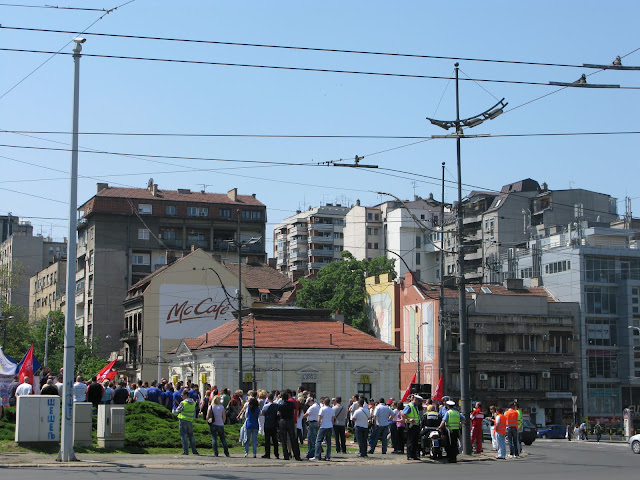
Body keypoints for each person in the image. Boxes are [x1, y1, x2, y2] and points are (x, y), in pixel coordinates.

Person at [278, 391, 302, 461]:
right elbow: (294, 411)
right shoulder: (292, 404)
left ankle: (286, 455)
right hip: (290, 421)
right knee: (293, 438)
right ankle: (297, 455)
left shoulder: (281, 405)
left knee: (284, 439)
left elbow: (279, 413)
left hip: (283, 420)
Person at [175, 389, 199, 455]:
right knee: (191, 436)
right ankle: (194, 450)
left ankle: (185, 451)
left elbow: (177, 410)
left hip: (183, 420)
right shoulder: (193, 402)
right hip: (190, 420)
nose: (181, 396)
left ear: (186, 395)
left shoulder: (183, 403)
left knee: (184, 436)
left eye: (182, 395)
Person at [312, 397, 335, 461]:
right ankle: (327, 456)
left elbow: (319, 418)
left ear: (324, 402)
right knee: (328, 442)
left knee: (318, 441)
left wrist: (319, 424)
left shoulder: (322, 409)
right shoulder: (332, 410)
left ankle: (317, 456)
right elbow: (333, 419)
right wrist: (331, 425)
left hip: (323, 426)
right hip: (329, 426)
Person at [402, 394, 423, 460]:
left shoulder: (415, 406)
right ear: (415, 400)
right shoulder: (409, 406)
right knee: (410, 441)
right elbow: (403, 414)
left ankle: (414, 455)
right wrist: (409, 419)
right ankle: (409, 455)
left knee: (415, 441)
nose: (419, 403)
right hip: (411, 425)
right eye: (419, 401)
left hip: (416, 425)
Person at [261, 393, 280, 459]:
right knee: (275, 440)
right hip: (274, 423)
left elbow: (262, 413)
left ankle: (267, 454)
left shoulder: (266, 406)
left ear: (268, 398)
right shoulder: (276, 405)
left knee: (267, 440)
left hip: (267, 423)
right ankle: (276, 453)